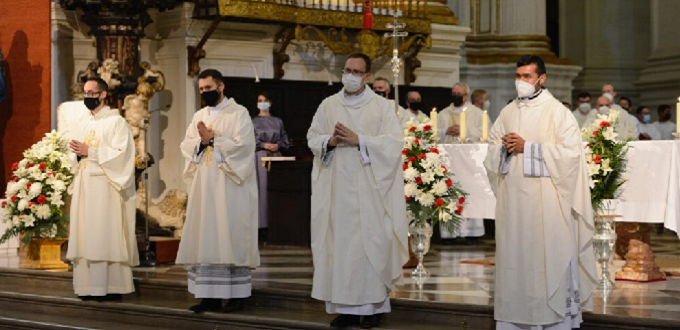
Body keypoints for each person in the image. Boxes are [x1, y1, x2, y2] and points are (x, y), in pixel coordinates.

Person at [484, 55, 597, 330]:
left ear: (541, 79)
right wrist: (503, 148)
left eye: (527, 76)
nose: (520, 82)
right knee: (515, 263)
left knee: (547, 262)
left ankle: (552, 322)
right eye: (518, 76)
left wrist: (529, 147)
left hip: (547, 207)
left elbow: (571, 156)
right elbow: (490, 150)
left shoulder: (558, 112)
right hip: (514, 207)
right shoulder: (508, 111)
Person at [307, 53, 408, 329]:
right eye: (347, 70)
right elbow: (312, 136)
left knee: (371, 246)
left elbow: (393, 144)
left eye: (356, 71)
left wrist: (359, 139)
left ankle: (374, 308)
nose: (350, 75)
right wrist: (330, 140)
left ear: (367, 77)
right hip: (337, 191)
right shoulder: (329, 105)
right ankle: (345, 311)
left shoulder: (382, 107)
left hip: (371, 191)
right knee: (340, 248)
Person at [177, 69, 260, 314]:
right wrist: (202, 143)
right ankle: (208, 296)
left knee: (229, 233)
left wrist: (214, 140)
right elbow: (186, 145)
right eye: (201, 89)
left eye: (208, 88)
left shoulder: (239, 113)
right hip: (205, 185)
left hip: (230, 187)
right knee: (206, 235)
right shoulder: (199, 115)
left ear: (221, 86)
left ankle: (236, 296)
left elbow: (244, 147)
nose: (205, 93)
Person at [66, 77, 138, 302]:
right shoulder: (82, 122)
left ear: (103, 95)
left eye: (91, 93)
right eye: (85, 93)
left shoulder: (116, 122)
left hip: (106, 189)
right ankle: (87, 287)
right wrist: (78, 154)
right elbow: (74, 155)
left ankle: (111, 287)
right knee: (86, 235)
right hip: (85, 185)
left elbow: (123, 155)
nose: (87, 97)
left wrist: (92, 152)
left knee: (104, 235)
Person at [437, 82, 485, 244]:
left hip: (469, 162)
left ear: (466, 96)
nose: (455, 95)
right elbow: (431, 133)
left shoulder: (477, 114)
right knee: (449, 196)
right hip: (449, 161)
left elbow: (486, 134)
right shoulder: (443, 114)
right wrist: (445, 131)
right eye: (453, 92)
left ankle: (472, 233)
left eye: (459, 93)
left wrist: (464, 132)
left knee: (469, 195)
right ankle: (449, 233)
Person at [252, 92, 289, 236]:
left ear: (270, 102)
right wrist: (264, 145)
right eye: (260, 100)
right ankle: (261, 226)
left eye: (265, 100)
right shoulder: (252, 121)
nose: (262, 102)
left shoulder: (278, 121)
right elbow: (249, 141)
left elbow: (284, 140)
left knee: (275, 189)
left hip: (275, 157)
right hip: (259, 158)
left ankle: (277, 223)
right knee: (261, 190)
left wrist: (277, 145)